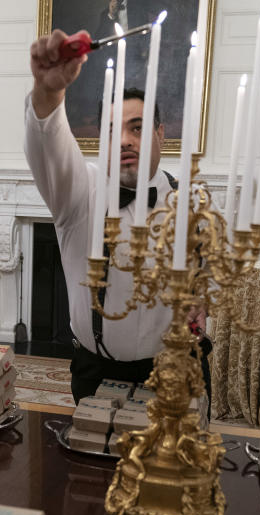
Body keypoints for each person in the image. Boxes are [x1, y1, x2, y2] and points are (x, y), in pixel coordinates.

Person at [26, 29, 208, 404]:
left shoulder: (196, 202)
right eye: (113, 130)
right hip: (97, 372)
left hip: (176, 371)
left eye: (137, 128)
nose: (124, 140)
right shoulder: (77, 192)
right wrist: (48, 92)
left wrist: (204, 303)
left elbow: (216, 283)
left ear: (161, 134)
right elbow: (47, 143)